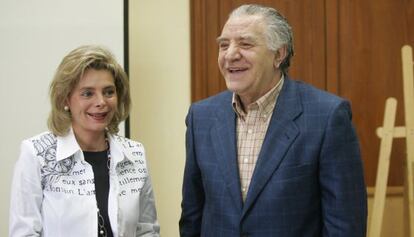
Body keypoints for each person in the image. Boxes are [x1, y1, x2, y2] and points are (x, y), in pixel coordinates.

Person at [180, 4, 367, 237]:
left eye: (245, 44)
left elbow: (345, 226)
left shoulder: (327, 116)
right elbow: (192, 215)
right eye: (223, 45)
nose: (230, 54)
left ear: (278, 54)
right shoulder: (201, 117)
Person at [9, 45, 160, 237]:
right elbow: (24, 233)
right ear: (65, 99)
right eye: (87, 93)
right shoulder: (36, 153)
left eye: (108, 92)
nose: (101, 102)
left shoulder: (135, 153)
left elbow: (147, 230)